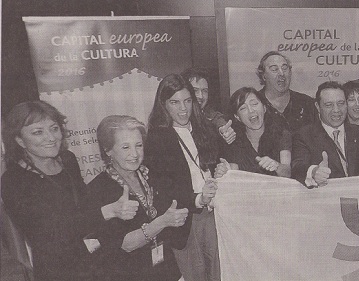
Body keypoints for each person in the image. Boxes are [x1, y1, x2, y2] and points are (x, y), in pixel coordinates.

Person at [1, 101, 136, 280]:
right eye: (38, 132)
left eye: (54, 128)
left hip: (96, 262)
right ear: (19, 140)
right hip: (60, 272)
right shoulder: (13, 180)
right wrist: (108, 211)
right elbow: (51, 234)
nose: (51, 137)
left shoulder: (68, 160)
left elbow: (85, 207)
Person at [86, 115, 190, 281]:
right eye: (125, 147)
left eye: (139, 145)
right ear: (108, 150)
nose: (134, 154)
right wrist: (163, 222)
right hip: (130, 273)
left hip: (167, 269)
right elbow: (126, 244)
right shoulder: (98, 190)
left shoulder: (151, 175)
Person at [144, 74, 222, 281]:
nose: (183, 109)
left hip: (213, 213)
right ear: (164, 104)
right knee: (195, 275)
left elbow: (210, 166)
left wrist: (221, 170)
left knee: (219, 273)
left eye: (187, 101)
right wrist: (198, 198)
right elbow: (164, 188)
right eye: (175, 102)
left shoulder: (204, 128)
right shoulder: (156, 138)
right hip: (184, 220)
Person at [292, 81, 359, 187]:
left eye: (341, 103)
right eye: (329, 105)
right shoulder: (304, 135)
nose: (336, 110)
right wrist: (313, 172)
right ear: (318, 107)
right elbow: (297, 166)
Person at [224, 87, 291, 177]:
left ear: (264, 108)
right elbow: (234, 175)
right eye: (243, 108)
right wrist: (224, 173)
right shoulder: (234, 141)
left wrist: (276, 166)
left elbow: (287, 172)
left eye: (254, 104)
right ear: (237, 117)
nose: (251, 110)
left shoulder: (281, 134)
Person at [256, 51, 319, 132]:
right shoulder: (253, 104)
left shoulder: (308, 104)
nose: (281, 73)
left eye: (285, 68)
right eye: (274, 69)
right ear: (263, 76)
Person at [182, 67, 236, 144]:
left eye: (204, 91)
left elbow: (217, 118)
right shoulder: (177, 118)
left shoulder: (209, 114)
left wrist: (223, 129)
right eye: (195, 90)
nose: (200, 96)